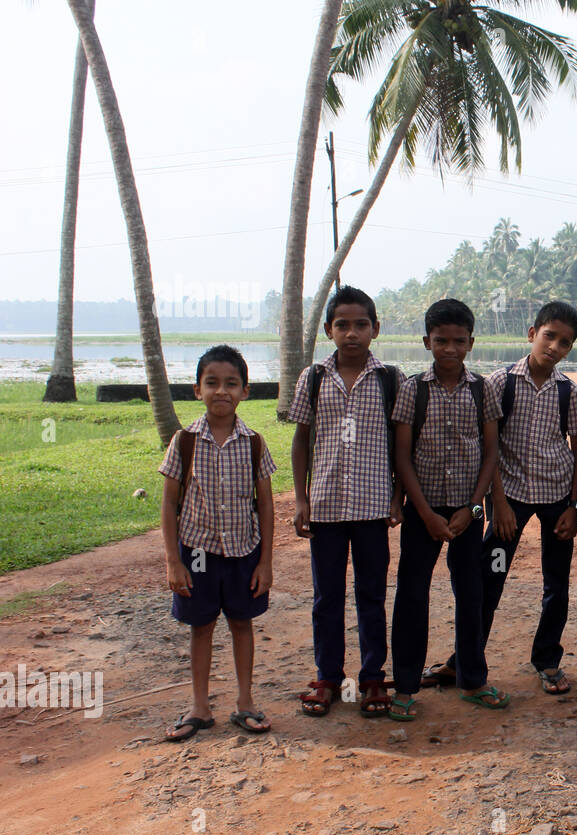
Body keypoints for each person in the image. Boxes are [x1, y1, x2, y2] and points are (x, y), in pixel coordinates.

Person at [420, 301, 577, 695]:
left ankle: (547, 660)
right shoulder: (499, 383)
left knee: (556, 583)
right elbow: (487, 447)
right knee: (489, 579)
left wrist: (574, 507)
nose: (554, 346)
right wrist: (500, 505)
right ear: (532, 333)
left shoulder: (568, 391)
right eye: (549, 336)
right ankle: (465, 661)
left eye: (565, 342)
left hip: (556, 497)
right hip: (508, 498)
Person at [288, 286, 404, 719]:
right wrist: (301, 497)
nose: (351, 333)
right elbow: (302, 439)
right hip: (327, 508)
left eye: (360, 325)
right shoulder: (313, 378)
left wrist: (398, 496)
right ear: (328, 330)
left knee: (371, 595)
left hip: (374, 508)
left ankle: (372, 677)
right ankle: (328, 678)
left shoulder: (390, 380)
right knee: (326, 598)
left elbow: (400, 444)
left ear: (375, 328)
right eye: (342, 325)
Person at [389, 298, 504, 720]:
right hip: (423, 512)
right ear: (427, 342)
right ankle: (404, 685)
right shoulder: (412, 389)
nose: (450, 349)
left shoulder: (482, 389)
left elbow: (491, 452)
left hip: (468, 513)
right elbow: (403, 456)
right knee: (412, 595)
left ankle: (471, 678)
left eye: (458, 341)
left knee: (471, 594)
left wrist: (473, 507)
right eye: (441, 341)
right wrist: (425, 513)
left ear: (471, 343)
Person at [159, 345, 275, 741]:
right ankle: (200, 707)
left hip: (244, 553)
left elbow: (266, 505)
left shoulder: (255, 442)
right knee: (201, 627)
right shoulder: (185, 441)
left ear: (245, 391)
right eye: (212, 383)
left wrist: (265, 563)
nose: (221, 391)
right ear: (197, 389)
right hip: (198, 554)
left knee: (242, 624)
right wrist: (174, 562)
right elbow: (170, 503)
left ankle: (245, 703)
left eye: (231, 383)